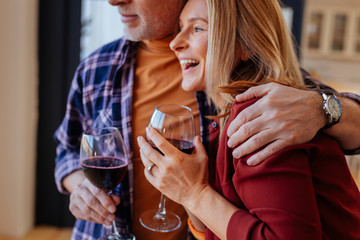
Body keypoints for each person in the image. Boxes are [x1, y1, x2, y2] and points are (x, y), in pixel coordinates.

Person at [54, 0, 360, 239]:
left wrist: (323, 109)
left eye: (197, 28)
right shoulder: (95, 68)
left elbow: (328, 117)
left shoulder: (241, 76)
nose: (114, 1)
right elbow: (67, 149)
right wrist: (79, 185)